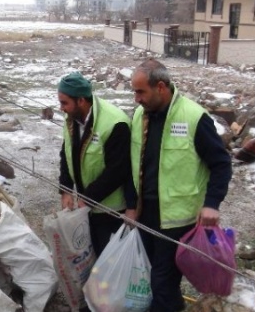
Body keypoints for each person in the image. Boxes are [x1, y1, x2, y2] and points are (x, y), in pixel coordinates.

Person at [130, 59, 232, 312]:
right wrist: (132, 205)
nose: (136, 99)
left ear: (161, 87)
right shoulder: (140, 117)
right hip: (146, 214)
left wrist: (211, 204)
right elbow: (134, 164)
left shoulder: (194, 117)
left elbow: (221, 163)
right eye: (134, 91)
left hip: (177, 220)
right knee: (151, 274)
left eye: (140, 91)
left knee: (162, 280)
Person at [57, 71, 136, 256]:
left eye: (64, 103)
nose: (61, 108)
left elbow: (117, 170)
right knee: (89, 256)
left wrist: (87, 198)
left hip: (110, 210)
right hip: (87, 206)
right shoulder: (71, 119)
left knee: (108, 259)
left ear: (82, 101)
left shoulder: (115, 123)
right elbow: (66, 152)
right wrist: (66, 188)